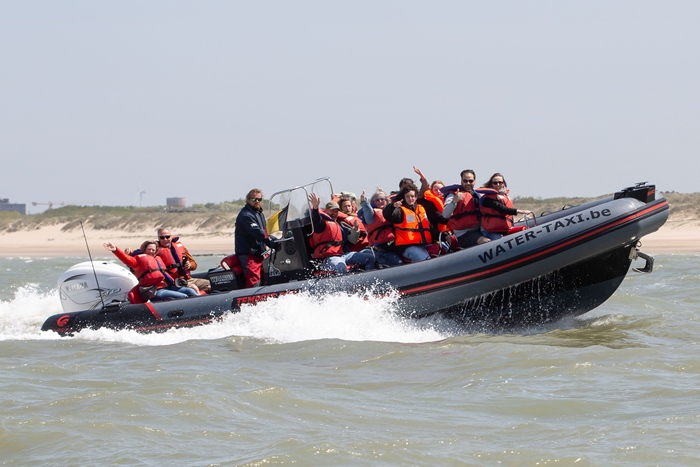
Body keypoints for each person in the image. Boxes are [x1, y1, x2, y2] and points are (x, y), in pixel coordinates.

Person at [104, 240, 198, 301]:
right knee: (183, 297)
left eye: (153, 250)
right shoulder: (138, 261)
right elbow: (126, 259)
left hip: (168, 286)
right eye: (149, 249)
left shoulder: (157, 259)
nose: (151, 252)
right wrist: (115, 250)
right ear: (144, 250)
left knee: (190, 292)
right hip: (156, 291)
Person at [308, 193, 376, 274]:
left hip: (344, 255)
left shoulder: (339, 225)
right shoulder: (322, 224)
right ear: (326, 211)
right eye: (332, 210)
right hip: (330, 258)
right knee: (341, 267)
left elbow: (350, 240)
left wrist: (355, 230)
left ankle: (369, 281)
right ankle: (347, 286)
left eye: (336, 211)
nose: (334, 213)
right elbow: (316, 220)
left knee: (370, 258)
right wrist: (315, 208)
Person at [235, 188, 280, 288]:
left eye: (259, 199)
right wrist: (273, 243)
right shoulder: (245, 215)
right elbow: (259, 233)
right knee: (254, 281)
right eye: (254, 199)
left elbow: (265, 232)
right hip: (249, 254)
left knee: (268, 277)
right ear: (248, 200)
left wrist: (277, 240)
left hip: (260, 254)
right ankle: (250, 301)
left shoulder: (259, 214)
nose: (257, 202)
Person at [442, 169, 491, 248]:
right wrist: (454, 201)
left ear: (474, 181)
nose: (468, 183)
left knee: (496, 237)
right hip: (464, 234)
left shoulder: (478, 195)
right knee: (486, 242)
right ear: (461, 181)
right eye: (465, 181)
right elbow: (445, 215)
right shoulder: (453, 195)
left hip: (479, 229)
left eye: (470, 181)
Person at [384, 186, 434, 262]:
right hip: (407, 247)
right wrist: (392, 206)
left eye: (412, 196)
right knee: (425, 260)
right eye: (407, 196)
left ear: (416, 197)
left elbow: (429, 227)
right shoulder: (400, 211)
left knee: (441, 251)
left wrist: (444, 235)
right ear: (404, 198)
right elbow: (388, 215)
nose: (410, 198)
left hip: (423, 244)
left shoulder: (420, 209)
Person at [478, 172, 534, 240]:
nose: (498, 184)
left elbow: (508, 215)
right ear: (491, 184)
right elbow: (501, 209)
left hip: (503, 229)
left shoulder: (504, 197)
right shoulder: (488, 198)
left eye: (500, 182)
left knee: (523, 230)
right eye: (495, 183)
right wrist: (520, 211)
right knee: (499, 240)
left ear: (503, 183)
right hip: (490, 231)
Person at [156, 227, 211, 294]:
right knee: (193, 287)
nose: (165, 239)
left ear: (171, 237)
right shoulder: (155, 251)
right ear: (158, 238)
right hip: (174, 282)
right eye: (162, 237)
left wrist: (189, 265)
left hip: (188, 279)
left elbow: (194, 264)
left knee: (211, 284)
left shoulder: (180, 246)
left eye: (167, 237)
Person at [359, 189, 403, 268]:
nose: (380, 201)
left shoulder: (392, 211)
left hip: (395, 245)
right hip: (382, 249)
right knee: (398, 263)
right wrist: (364, 202)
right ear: (373, 202)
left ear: (386, 200)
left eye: (382, 199)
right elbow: (368, 211)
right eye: (377, 200)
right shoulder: (372, 214)